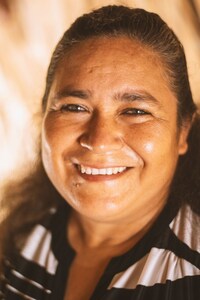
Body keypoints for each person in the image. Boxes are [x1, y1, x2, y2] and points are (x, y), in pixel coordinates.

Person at [0, 5, 200, 300]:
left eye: (135, 111)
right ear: (43, 116)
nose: (99, 140)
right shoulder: (17, 237)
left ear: (183, 131)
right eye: (74, 107)